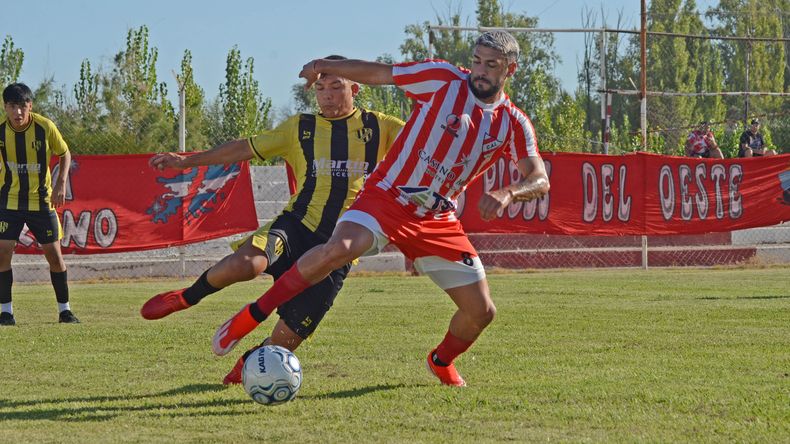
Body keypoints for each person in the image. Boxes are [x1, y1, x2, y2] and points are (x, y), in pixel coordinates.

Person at [211, 31, 550, 387]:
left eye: (491, 65)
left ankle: (441, 361)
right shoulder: (443, 79)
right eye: (477, 60)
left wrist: (510, 192)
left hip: (436, 218)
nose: (479, 70)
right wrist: (324, 65)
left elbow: (539, 178)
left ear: (510, 69)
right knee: (339, 249)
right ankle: (249, 317)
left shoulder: (514, 122)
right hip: (387, 196)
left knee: (481, 312)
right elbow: (379, 73)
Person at [140, 55, 404, 384]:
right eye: (321, 88)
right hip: (295, 226)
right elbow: (242, 149)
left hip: (339, 245)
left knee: (288, 339)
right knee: (245, 264)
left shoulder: (382, 127)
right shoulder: (300, 128)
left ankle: (250, 363)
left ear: (357, 89)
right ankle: (186, 296)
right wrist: (186, 162)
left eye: (337, 86)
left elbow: (424, 147)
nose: (328, 95)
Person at [0, 83, 78, 326]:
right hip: (10, 200)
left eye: (22, 106)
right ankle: (6, 312)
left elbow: (65, 154)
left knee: (54, 256)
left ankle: (65, 311)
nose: (18, 112)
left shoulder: (45, 127)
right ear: (5, 108)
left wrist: (60, 183)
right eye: (13, 107)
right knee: (3, 252)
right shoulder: (1, 132)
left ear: (30, 106)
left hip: (40, 200)